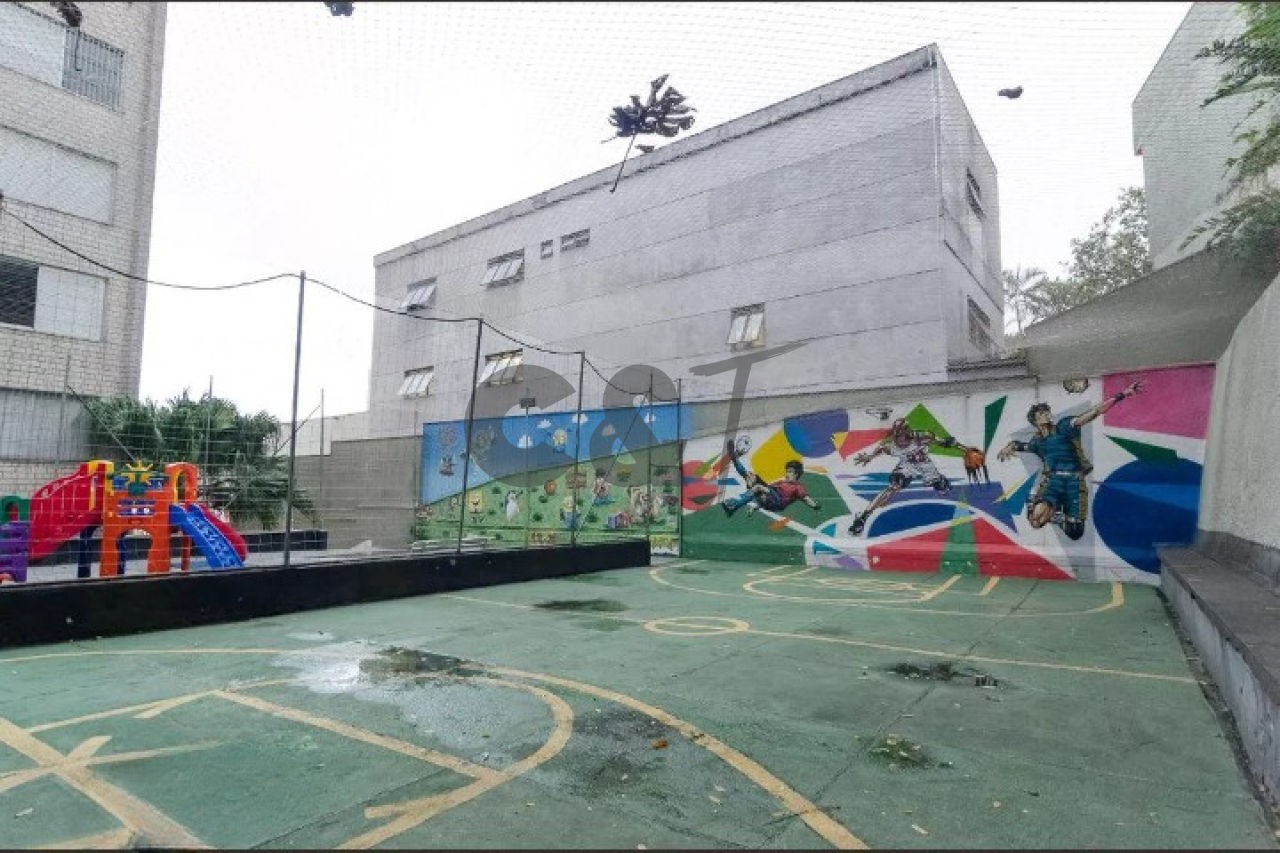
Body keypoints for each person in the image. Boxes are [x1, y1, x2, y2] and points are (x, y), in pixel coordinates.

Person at [996, 378, 1145, 540]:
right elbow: (1022, 446)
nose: (1047, 414)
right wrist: (1009, 446)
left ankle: (1057, 516)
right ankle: (1037, 503)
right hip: (1053, 482)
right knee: (1036, 522)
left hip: (1075, 481)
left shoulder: (1065, 426)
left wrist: (1123, 394)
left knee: (1075, 533)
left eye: (1047, 412)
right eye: (1041, 413)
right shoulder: (1038, 441)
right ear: (1035, 421)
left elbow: (1094, 412)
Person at [847, 419, 958, 537]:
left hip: (926, 467)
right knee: (895, 485)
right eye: (896, 436)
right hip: (907, 467)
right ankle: (863, 518)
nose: (898, 440)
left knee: (943, 489)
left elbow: (939, 441)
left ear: (907, 433)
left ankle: (941, 482)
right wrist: (870, 456)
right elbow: (882, 449)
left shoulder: (921, 437)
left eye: (901, 436)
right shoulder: (894, 446)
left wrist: (947, 442)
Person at [721, 441, 821, 516]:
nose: (787, 474)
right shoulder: (781, 482)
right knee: (750, 477)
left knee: (758, 487)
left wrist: (815, 506)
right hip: (771, 498)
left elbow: (805, 499)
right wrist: (755, 507)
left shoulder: (798, 487)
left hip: (779, 501)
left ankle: (733, 506)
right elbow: (767, 491)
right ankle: (734, 458)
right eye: (787, 471)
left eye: (790, 472)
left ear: (796, 474)